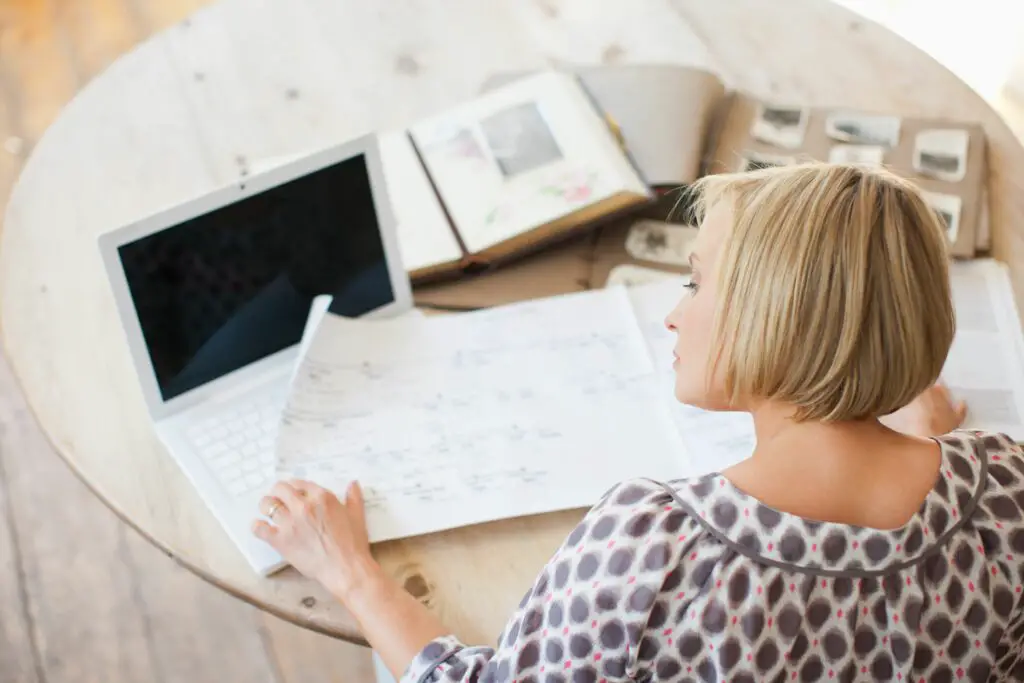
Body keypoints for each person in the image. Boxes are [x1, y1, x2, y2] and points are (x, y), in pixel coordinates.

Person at [252, 162, 1024, 682]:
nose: (674, 316)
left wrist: (349, 570)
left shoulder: (655, 547)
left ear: (771, 317)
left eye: (695, 284)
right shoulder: (1004, 487)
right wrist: (934, 443)